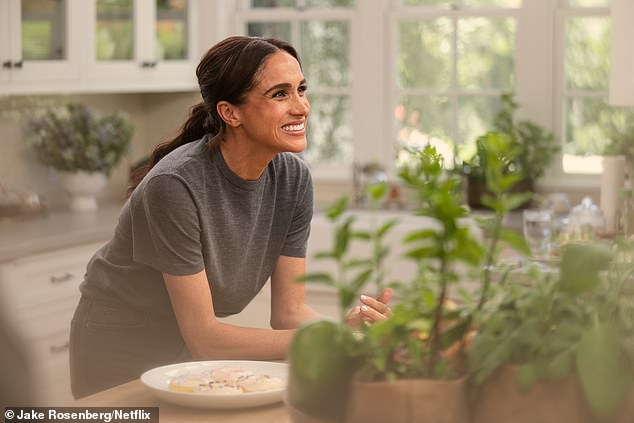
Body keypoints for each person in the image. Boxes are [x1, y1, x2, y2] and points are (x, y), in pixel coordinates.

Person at [69, 35, 393, 399]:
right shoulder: (175, 185)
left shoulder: (292, 179)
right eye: (280, 94)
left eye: (302, 89)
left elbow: (289, 311)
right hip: (120, 342)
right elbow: (207, 339)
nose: (302, 107)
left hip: (188, 344)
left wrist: (346, 334)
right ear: (230, 112)